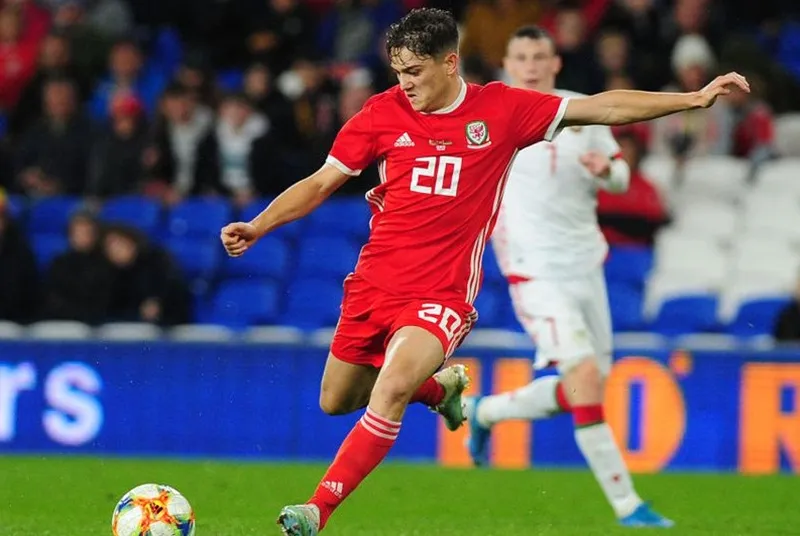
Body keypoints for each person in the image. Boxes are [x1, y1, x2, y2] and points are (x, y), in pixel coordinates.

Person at [218, 9, 747, 535]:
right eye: (399, 73)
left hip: (441, 292)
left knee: (392, 386)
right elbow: (319, 182)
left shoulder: (502, 110)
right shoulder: (381, 114)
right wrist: (259, 225)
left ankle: (318, 510)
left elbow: (602, 108)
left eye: (415, 73)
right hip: (374, 284)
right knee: (336, 400)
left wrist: (693, 98)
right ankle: (441, 389)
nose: (405, 85)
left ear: (450, 63)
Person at [462, 26, 672, 528]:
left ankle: (485, 412)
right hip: (535, 272)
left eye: (539, 56)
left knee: (585, 387)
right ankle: (628, 505)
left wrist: (608, 171)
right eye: (521, 57)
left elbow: (622, 174)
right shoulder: (488, 118)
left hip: (586, 267)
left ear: (555, 64)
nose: (530, 65)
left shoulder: (583, 109)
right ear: (506, 65)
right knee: (582, 378)